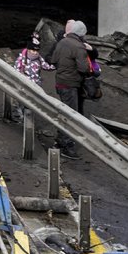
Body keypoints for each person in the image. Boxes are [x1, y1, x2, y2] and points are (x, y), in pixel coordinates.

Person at [46, 19, 94, 161]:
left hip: (60, 82)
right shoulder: (79, 47)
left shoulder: (61, 42)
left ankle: (61, 141)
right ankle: (65, 145)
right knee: (70, 116)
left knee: (65, 112)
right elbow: (83, 68)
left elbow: (53, 60)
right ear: (82, 34)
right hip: (71, 84)